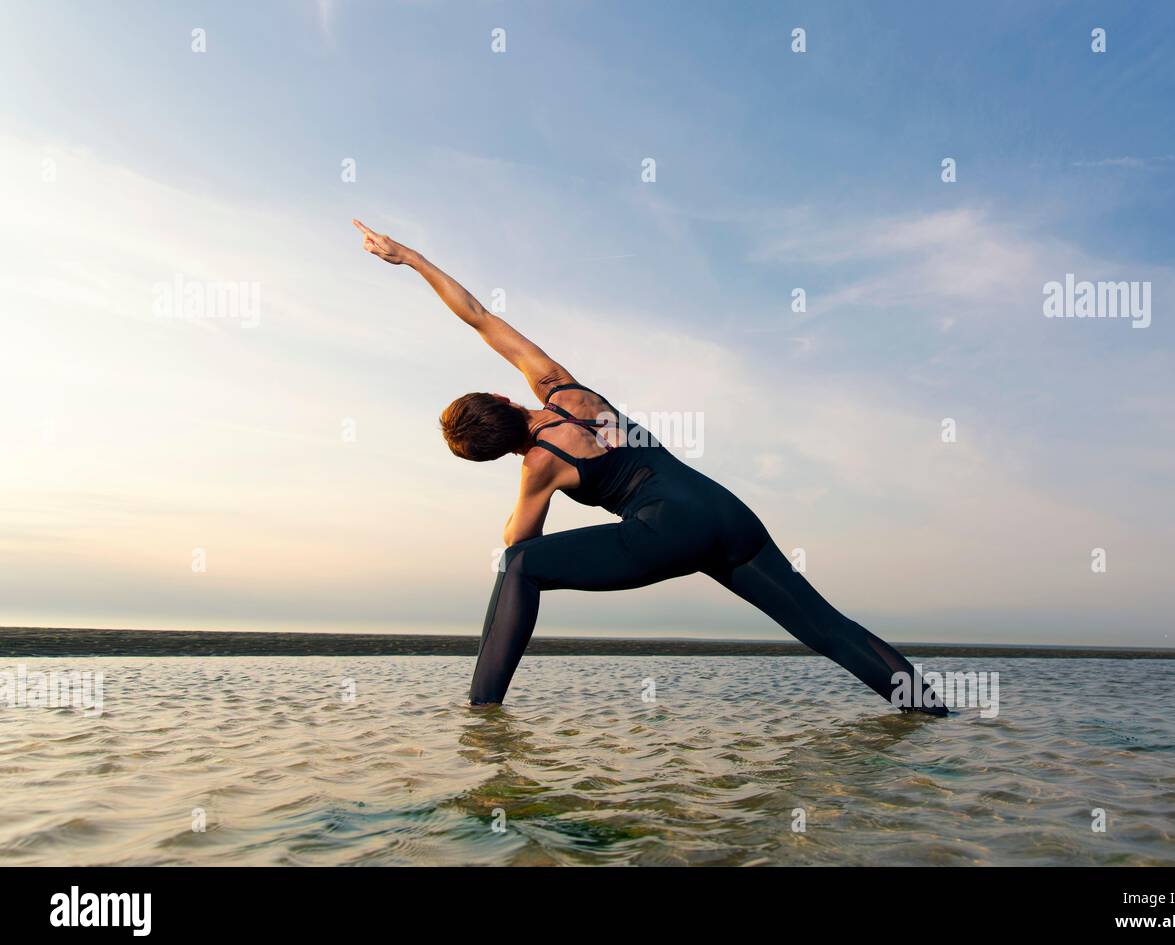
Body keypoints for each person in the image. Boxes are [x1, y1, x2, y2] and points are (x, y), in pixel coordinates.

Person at [353, 219, 948, 715]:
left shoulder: (539, 465)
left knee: (518, 566)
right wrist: (408, 257)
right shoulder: (562, 388)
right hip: (724, 511)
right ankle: (932, 714)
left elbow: (520, 542)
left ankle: (482, 717)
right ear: (507, 399)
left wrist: (519, 490)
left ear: (497, 450)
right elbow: (481, 316)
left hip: (668, 529)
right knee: (825, 627)